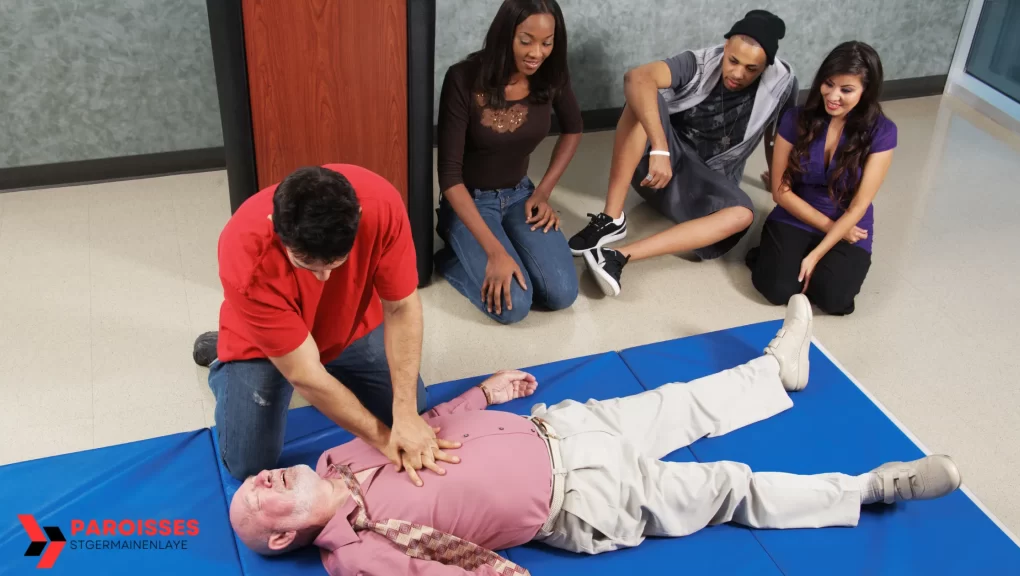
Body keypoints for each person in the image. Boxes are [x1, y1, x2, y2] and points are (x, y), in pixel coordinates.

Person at [227, 294, 962, 575]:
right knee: (726, 485)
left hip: (561, 429)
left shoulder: (333, 451)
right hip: (582, 498)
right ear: (287, 537)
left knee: (680, 403)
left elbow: (417, 430)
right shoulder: (355, 555)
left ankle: (779, 369)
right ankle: (871, 490)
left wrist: (482, 393)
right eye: (260, 501)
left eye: (258, 479)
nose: (262, 479)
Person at [192, 164, 460, 485]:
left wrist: (404, 414)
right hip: (263, 344)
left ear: (357, 216)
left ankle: (331, 366)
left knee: (414, 404)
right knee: (248, 463)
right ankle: (225, 358)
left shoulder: (381, 205)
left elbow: (402, 307)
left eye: (336, 263)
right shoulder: (245, 251)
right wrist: (386, 442)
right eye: (307, 265)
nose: (324, 278)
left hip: (345, 326)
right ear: (274, 227)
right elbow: (304, 374)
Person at [567, 9, 799, 297]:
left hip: (704, 187)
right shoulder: (698, 63)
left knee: (743, 215)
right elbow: (636, 78)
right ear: (725, 47)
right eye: (733, 61)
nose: (738, 74)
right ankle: (612, 219)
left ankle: (617, 257)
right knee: (640, 99)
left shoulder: (783, 83)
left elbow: (779, 134)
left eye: (752, 69)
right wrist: (661, 148)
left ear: (767, 66)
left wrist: (780, 179)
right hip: (657, 169)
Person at [435, 0, 583, 324]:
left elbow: (574, 129)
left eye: (547, 42)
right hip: (470, 202)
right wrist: (494, 252)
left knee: (562, 294)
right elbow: (448, 176)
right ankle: (450, 259)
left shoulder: (551, 75)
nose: (537, 53)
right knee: (515, 305)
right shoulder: (462, 78)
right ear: (506, 35)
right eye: (526, 40)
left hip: (521, 195)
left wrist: (543, 192)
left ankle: (494, 248)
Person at [746, 41, 895, 315]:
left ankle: (805, 261)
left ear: (867, 91)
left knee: (834, 299)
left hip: (849, 224)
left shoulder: (883, 132)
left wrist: (817, 254)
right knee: (777, 290)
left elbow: (859, 206)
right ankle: (766, 254)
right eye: (828, 84)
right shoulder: (795, 119)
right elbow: (780, 191)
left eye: (846, 90)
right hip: (796, 213)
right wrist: (830, 228)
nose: (833, 96)